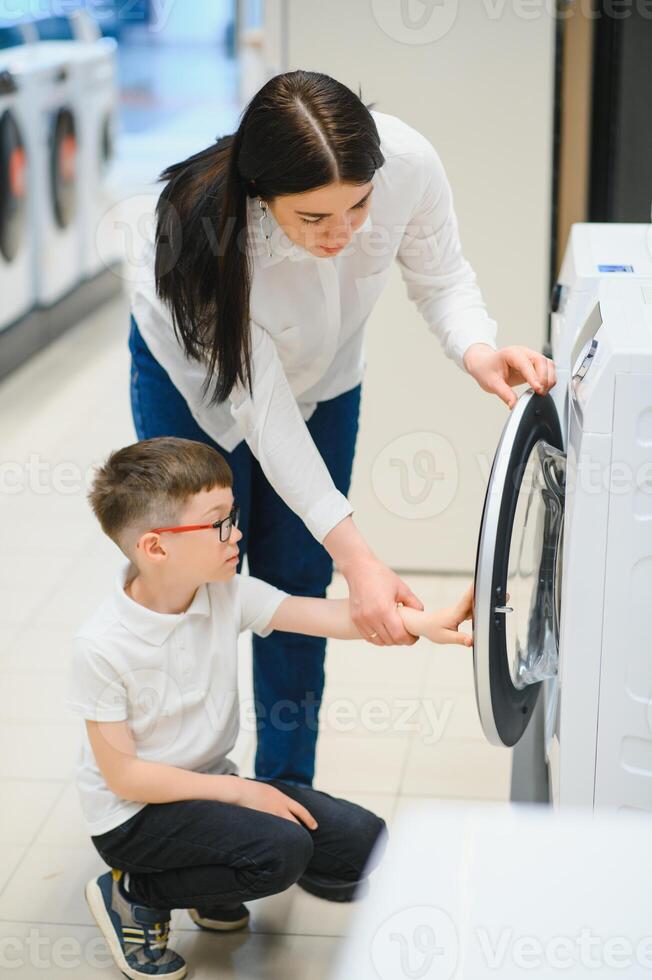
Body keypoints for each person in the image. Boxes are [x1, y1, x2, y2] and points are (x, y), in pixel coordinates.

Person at [127, 68, 555, 788]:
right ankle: (182, 809)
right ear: (262, 198)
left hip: (324, 378)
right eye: (314, 220)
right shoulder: (201, 242)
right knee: (191, 588)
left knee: (298, 573)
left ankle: (287, 803)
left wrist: (478, 349)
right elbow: (263, 417)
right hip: (195, 386)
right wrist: (364, 559)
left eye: (357, 208)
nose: (344, 234)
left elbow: (442, 277)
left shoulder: (407, 163)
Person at [66, 436, 475, 980]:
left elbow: (328, 617)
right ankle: (134, 892)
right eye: (218, 524)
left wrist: (425, 623)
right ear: (157, 548)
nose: (236, 532)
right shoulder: (102, 645)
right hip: (135, 817)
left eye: (231, 515)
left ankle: (208, 873)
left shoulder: (225, 593)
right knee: (279, 853)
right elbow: (126, 776)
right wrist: (243, 790)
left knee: (362, 842)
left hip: (207, 785)